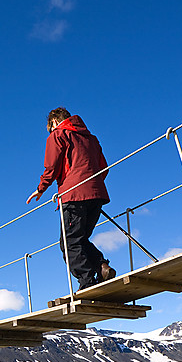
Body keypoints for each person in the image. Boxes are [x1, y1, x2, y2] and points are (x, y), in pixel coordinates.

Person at [26, 107, 116, 290]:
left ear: (54, 122)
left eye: (50, 127)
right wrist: (91, 186)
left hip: (73, 195)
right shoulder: (92, 139)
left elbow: (52, 167)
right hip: (97, 194)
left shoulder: (58, 135)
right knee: (79, 239)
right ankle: (102, 267)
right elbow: (103, 168)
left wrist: (40, 188)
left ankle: (87, 281)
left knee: (68, 244)